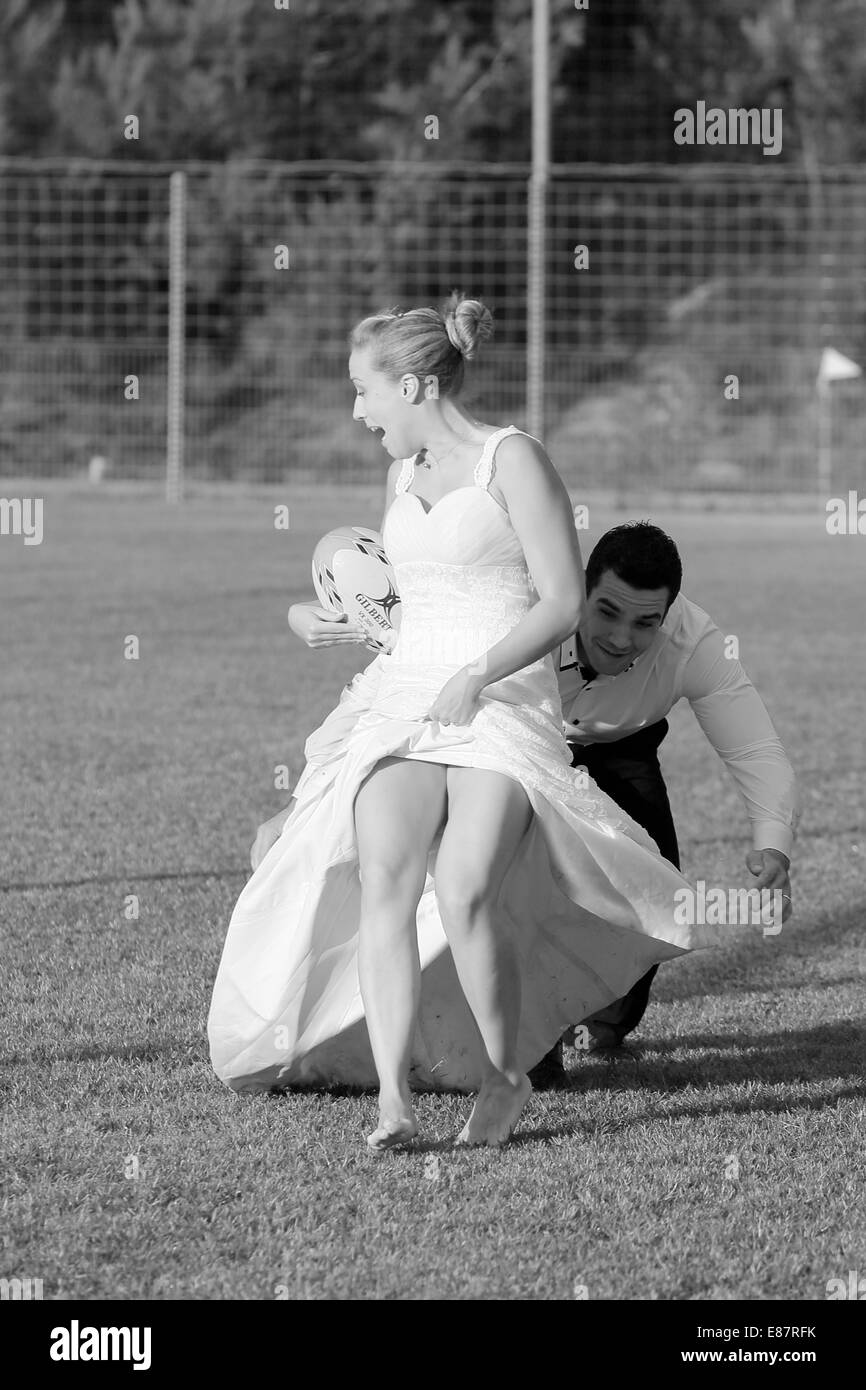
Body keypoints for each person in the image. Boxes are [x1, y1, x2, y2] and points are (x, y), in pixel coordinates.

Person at [207, 292, 735, 1152]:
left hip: (497, 704)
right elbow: (410, 605)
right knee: (383, 871)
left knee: (463, 887)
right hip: (406, 697)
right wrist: (318, 616)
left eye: (363, 390)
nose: (356, 408)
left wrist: (476, 675)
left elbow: (563, 600)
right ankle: (393, 1103)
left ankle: (503, 1077)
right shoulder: (400, 476)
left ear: (412, 386)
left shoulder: (513, 459)